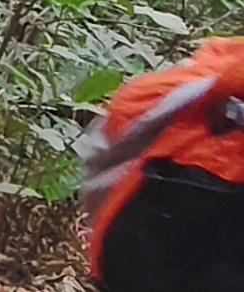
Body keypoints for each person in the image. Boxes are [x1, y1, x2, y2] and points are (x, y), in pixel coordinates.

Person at [79, 37, 244, 291]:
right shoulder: (203, 87)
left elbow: (107, 148)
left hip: (134, 239)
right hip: (189, 211)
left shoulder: (195, 84)